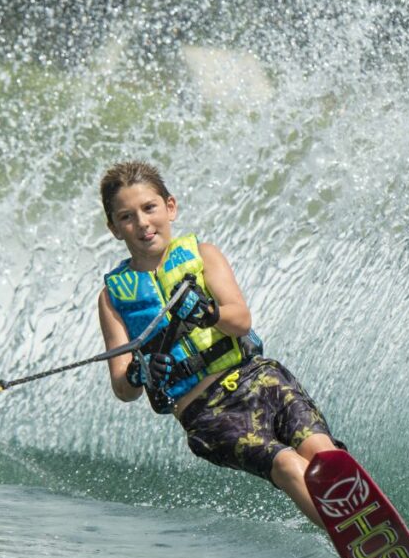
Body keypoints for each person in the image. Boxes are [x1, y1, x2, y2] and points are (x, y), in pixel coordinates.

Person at [95, 160, 341, 528]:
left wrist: (209, 313)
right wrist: (139, 371)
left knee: (324, 456)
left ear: (170, 207)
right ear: (114, 228)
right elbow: (122, 388)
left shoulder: (204, 255)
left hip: (260, 381)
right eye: (127, 216)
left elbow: (240, 320)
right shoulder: (113, 296)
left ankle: (380, 531)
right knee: (289, 465)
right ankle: (359, 544)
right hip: (206, 415)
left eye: (150, 208)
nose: (143, 223)